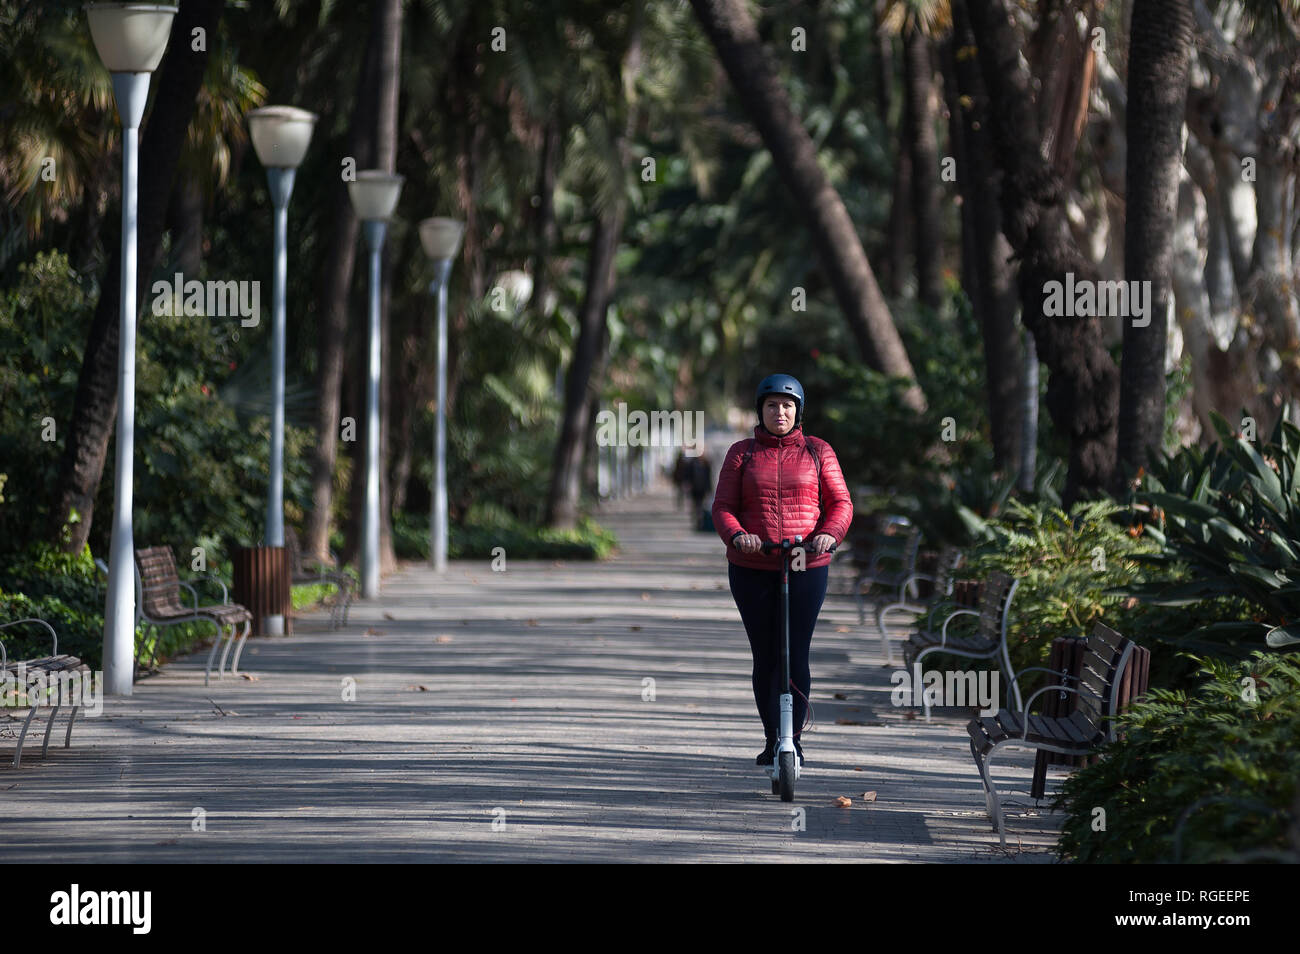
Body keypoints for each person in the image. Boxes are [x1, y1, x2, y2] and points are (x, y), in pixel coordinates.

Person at [711, 373, 853, 768]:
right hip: (752, 563)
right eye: (772, 405)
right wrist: (738, 536)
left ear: (798, 411)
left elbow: (841, 502)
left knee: (795, 655)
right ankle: (772, 736)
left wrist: (828, 534)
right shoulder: (741, 453)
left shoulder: (818, 450)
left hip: (803, 561)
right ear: (761, 410)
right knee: (767, 656)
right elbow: (722, 507)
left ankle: (793, 738)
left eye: (787, 405)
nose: (780, 412)